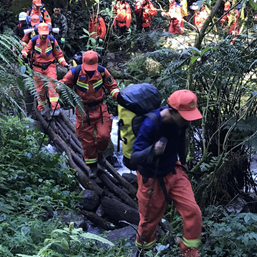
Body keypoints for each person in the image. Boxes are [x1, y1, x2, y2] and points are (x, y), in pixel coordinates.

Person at [132, 90, 203, 257]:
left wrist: (184, 163)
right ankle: (144, 252)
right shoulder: (150, 124)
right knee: (148, 223)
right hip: (152, 178)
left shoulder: (181, 122)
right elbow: (134, 158)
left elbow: (181, 141)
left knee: (193, 212)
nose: (188, 120)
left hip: (174, 171)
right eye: (185, 116)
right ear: (172, 111)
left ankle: (190, 253)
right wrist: (153, 149)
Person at [60, 51, 120, 178]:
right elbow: (64, 83)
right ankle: (92, 166)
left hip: (99, 108)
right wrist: (59, 88)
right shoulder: (76, 72)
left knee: (104, 136)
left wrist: (117, 95)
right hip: (83, 110)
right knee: (87, 141)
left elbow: (112, 85)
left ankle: (100, 155)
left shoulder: (102, 71)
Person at [22, 23, 68, 114]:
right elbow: (27, 50)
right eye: (42, 34)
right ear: (39, 33)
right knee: (39, 89)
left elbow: (59, 54)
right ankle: (42, 107)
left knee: (52, 86)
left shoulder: (51, 40)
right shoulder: (34, 40)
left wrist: (64, 64)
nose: (44, 36)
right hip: (37, 67)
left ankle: (55, 108)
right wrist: (23, 55)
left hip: (50, 66)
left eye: (45, 34)